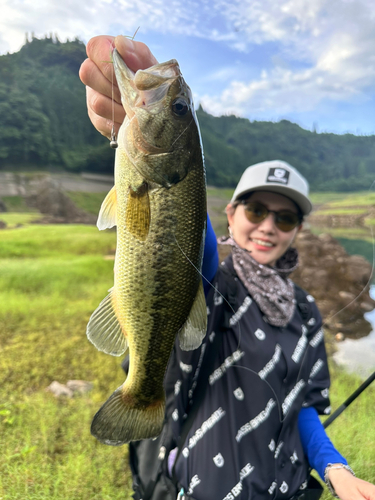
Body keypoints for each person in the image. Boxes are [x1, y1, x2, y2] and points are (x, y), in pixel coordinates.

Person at [79, 35, 375, 500]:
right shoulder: (220, 279)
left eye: (286, 216)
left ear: (297, 228)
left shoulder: (306, 311)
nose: (268, 226)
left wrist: (336, 469)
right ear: (231, 216)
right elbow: (190, 248)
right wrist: (143, 114)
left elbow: (304, 408)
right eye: (255, 210)